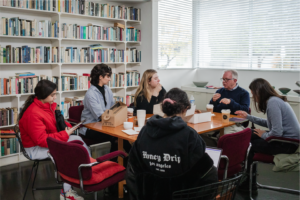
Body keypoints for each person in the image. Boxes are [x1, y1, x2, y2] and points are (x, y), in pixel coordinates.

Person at [126, 88, 218, 199]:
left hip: (147, 194)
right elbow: (206, 173)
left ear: (163, 108)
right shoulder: (190, 135)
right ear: (185, 109)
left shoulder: (144, 131)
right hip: (180, 195)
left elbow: (133, 167)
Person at [19, 80, 89, 200]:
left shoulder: (47, 107)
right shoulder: (33, 113)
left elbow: (54, 124)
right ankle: (66, 192)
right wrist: (64, 134)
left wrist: (66, 127)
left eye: (55, 94)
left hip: (46, 142)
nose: (55, 97)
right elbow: (42, 140)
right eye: (52, 95)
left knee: (78, 140)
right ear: (43, 95)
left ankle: (87, 172)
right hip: (35, 149)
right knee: (71, 150)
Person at [235, 78, 300, 193]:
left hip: (287, 144)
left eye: (253, 93)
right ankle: (243, 174)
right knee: (249, 133)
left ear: (259, 92)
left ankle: (248, 181)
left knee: (250, 144)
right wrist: (248, 117)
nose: (253, 96)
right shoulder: (275, 100)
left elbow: (276, 132)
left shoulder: (273, 103)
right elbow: (269, 124)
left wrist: (264, 134)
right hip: (286, 140)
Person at [80, 64, 131, 152]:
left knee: (120, 134)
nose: (110, 79)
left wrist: (122, 112)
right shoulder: (90, 94)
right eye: (108, 76)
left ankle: (121, 160)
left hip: (104, 124)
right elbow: (101, 116)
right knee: (117, 135)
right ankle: (124, 160)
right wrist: (117, 115)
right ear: (100, 77)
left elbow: (113, 108)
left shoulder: (107, 89)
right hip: (90, 128)